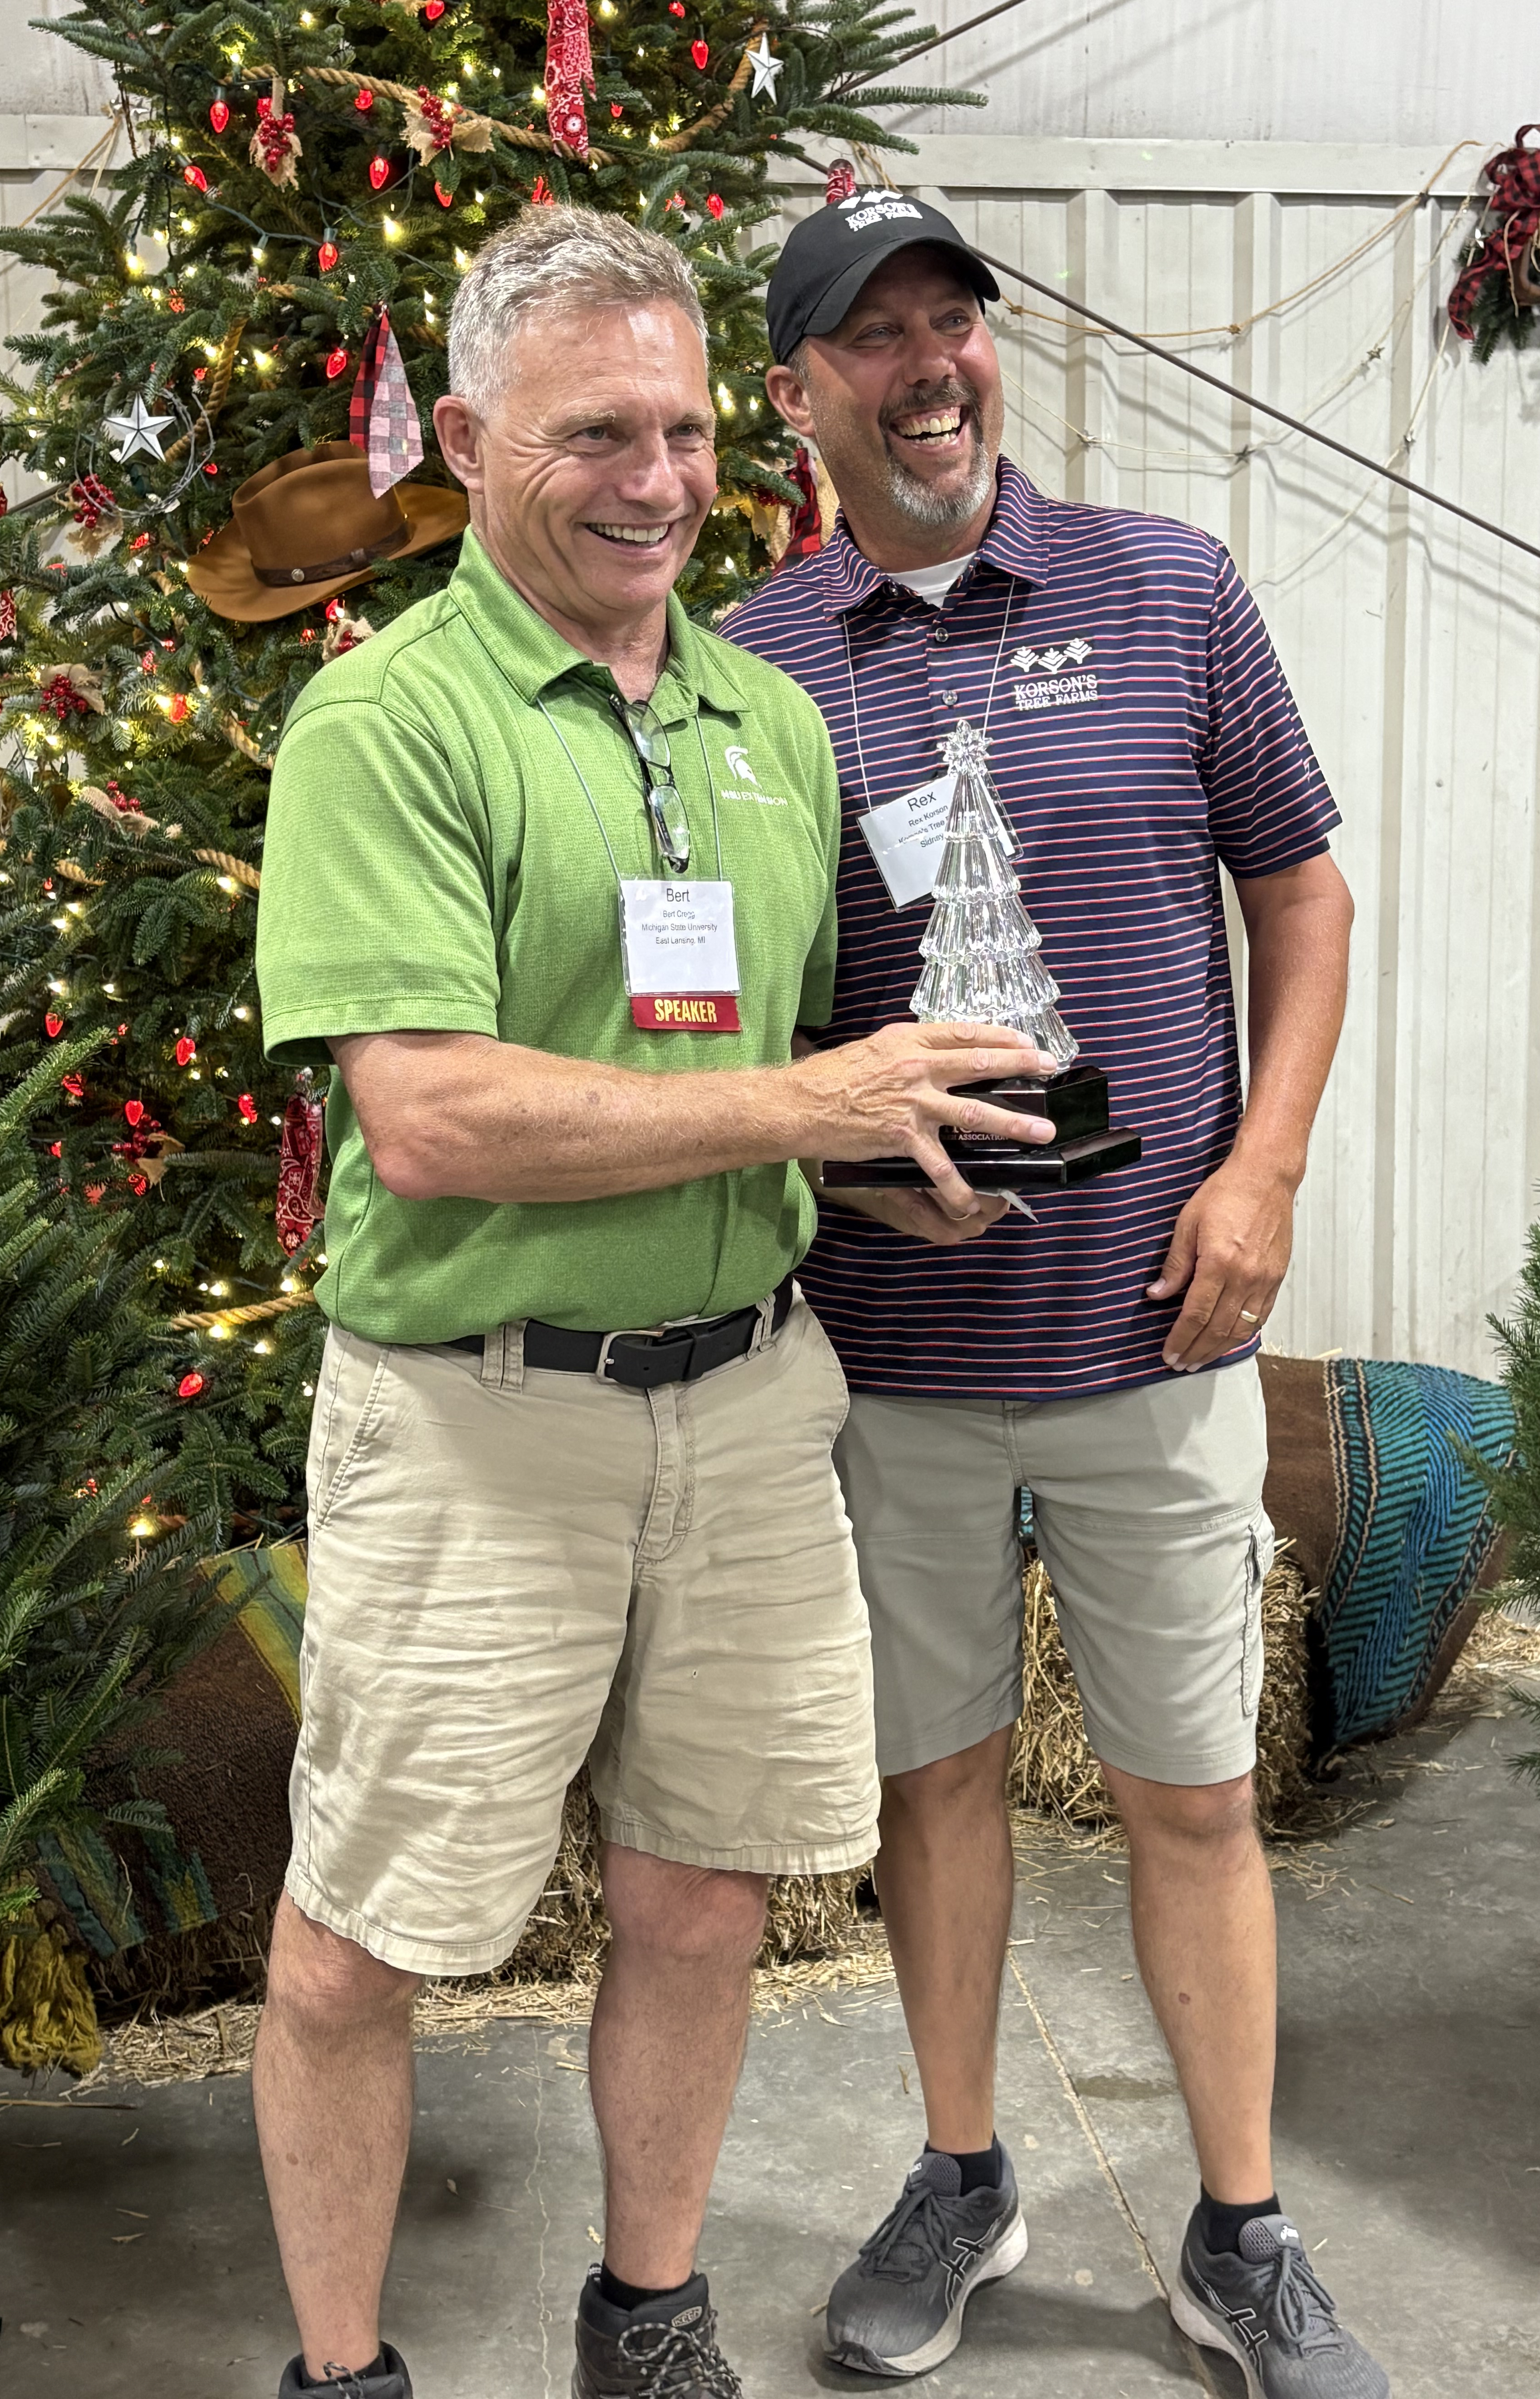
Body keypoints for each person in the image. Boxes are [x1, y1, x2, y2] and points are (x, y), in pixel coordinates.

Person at [251, 205, 1064, 2399]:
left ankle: (651, 2317)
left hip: (747, 1411)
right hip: (476, 1423)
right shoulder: (385, 722)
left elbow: (743, 1097)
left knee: (708, 1896)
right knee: (368, 1943)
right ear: (464, 435)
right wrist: (816, 1093)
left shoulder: (764, 722)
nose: (661, 479)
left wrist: (890, 1176)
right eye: (595, 431)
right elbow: (426, 1118)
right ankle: (347, 2377)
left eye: (693, 429)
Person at [724, 187, 1384, 2399]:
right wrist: (835, 1151)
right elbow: (720, 1042)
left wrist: (1266, 1170)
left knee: (1193, 1794)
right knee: (938, 1789)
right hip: (891, 1369)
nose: (931, 364)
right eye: (874, 336)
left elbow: (1302, 899)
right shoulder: (749, 668)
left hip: (1155, 1338)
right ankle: (963, 2167)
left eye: (955, 322)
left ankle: (1243, 2228)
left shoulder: (1169, 589)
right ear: (800, 393)